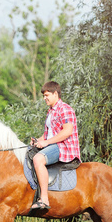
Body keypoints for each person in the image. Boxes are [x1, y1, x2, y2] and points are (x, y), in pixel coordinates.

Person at [30, 81, 81, 210]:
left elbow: (67, 131)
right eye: (43, 96)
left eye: (47, 95)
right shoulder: (51, 111)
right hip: (53, 144)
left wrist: (46, 142)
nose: (44, 98)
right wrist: (38, 141)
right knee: (28, 152)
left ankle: (45, 199)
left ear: (55, 93)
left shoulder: (65, 109)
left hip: (64, 147)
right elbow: (47, 134)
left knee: (38, 159)